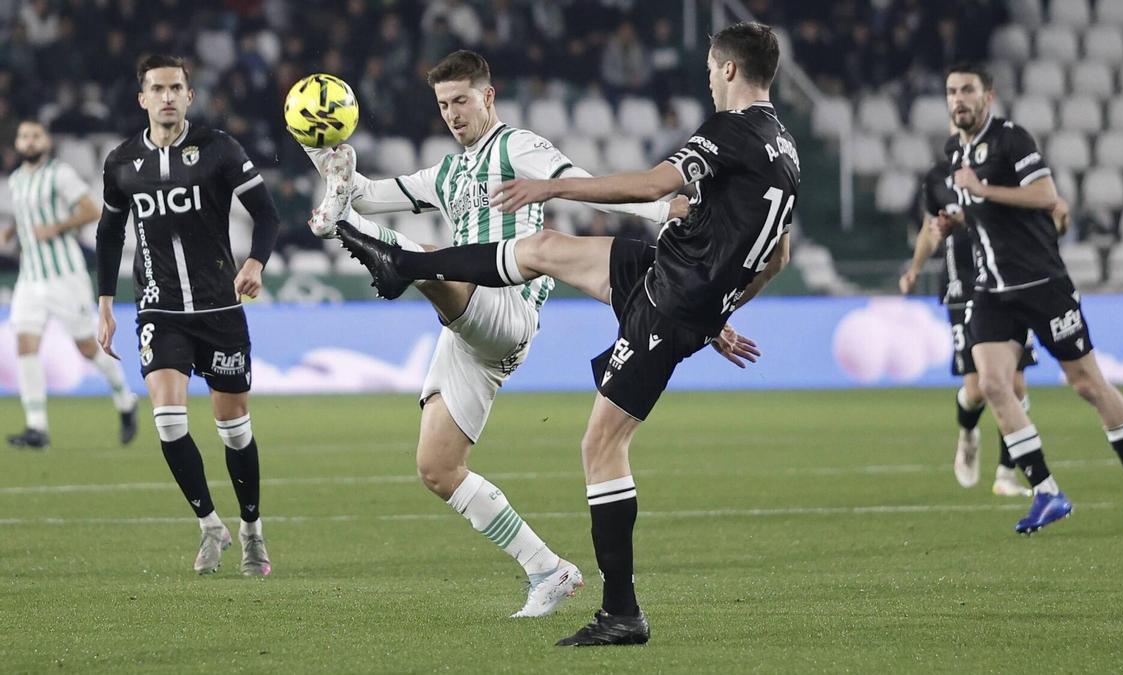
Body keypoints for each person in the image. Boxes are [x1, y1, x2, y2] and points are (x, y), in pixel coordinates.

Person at [337, 22, 789, 646]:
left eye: (713, 68)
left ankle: (622, 613)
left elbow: (657, 185)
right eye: (442, 105)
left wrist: (555, 187)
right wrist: (719, 309)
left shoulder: (729, 130)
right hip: (667, 274)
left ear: (730, 69)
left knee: (600, 446)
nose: (708, 78)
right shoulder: (783, 146)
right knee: (543, 248)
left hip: (667, 301)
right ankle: (546, 570)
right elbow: (777, 253)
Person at [305, 49, 686, 618]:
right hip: (464, 332)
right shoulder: (447, 172)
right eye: (442, 104)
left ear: (488, 96)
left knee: (431, 262)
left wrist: (661, 213)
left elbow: (581, 183)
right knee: (437, 467)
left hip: (508, 309)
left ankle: (384, 253)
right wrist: (321, 151)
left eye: (461, 100)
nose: (453, 114)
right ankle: (547, 569)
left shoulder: (518, 147)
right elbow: (365, 190)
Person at [937, 62, 1123, 535]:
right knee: (995, 384)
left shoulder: (1012, 140)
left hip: (1041, 284)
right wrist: (956, 219)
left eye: (968, 90)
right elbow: (982, 213)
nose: (959, 99)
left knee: (1087, 385)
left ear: (988, 96)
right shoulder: (955, 150)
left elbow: (1046, 195)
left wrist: (983, 190)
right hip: (992, 290)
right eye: (952, 91)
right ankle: (1046, 492)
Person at [94, 54, 281, 574]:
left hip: (220, 306)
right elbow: (109, 234)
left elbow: (266, 214)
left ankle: (251, 530)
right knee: (169, 420)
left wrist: (256, 263)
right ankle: (209, 527)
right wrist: (106, 304)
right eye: (158, 88)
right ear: (142, 98)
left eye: (176, 87)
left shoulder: (220, 149)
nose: (168, 96)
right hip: (159, 307)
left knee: (233, 429)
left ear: (190, 96)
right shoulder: (121, 162)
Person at [900, 156, 1070, 496]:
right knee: (978, 390)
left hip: (1005, 282)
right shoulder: (938, 176)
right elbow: (930, 229)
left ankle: (1006, 475)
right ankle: (967, 433)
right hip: (962, 288)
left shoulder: (1003, 169)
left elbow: (1039, 216)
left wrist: (1057, 224)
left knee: (1016, 387)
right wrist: (915, 268)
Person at [3, 120, 138, 449]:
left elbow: (91, 210)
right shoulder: (17, 181)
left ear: (46, 141)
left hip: (65, 278)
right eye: (24, 137)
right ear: (18, 144)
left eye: (35, 135)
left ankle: (125, 397)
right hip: (30, 279)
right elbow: (26, 218)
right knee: (25, 346)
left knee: (88, 348)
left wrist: (57, 227)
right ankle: (37, 428)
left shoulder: (59, 174)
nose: (29, 141)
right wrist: (11, 232)